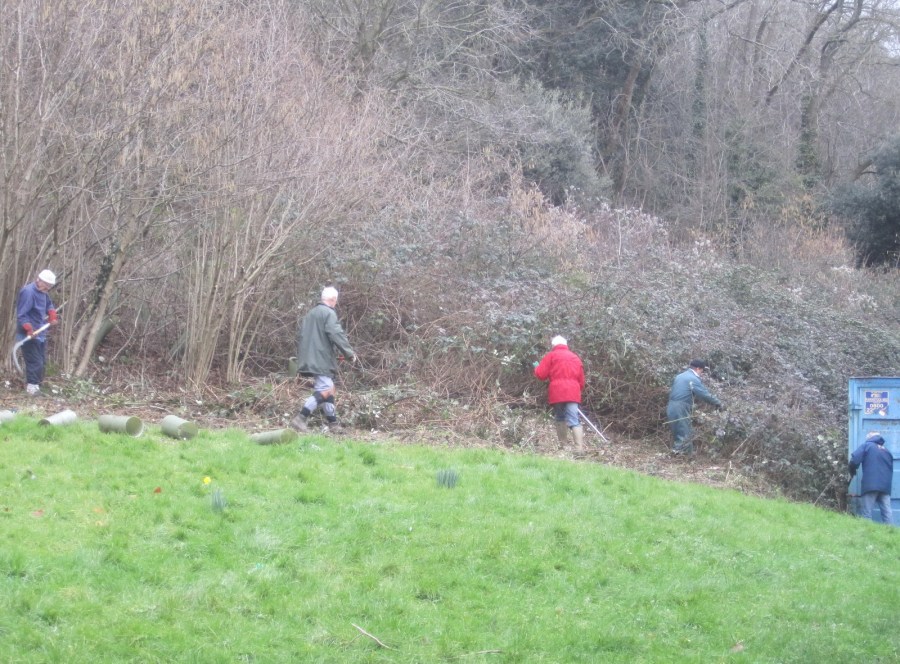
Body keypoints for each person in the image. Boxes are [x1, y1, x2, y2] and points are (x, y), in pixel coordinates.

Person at [291, 286, 357, 433]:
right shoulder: (328, 313)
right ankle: (301, 417)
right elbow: (336, 334)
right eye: (336, 300)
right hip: (319, 359)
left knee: (330, 389)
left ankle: (333, 424)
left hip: (310, 356)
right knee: (326, 389)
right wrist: (349, 353)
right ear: (333, 299)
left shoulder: (311, 313)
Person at [533, 335, 586, 452]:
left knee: (560, 418)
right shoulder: (575, 357)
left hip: (557, 392)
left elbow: (541, 375)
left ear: (553, 345)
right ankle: (579, 449)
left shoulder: (551, 356)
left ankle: (563, 446)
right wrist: (577, 390)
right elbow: (581, 380)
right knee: (574, 419)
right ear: (566, 344)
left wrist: (536, 368)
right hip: (573, 393)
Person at [15, 269, 59, 396]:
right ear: (39, 280)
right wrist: (29, 329)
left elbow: (48, 305)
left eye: (50, 286)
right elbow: (22, 315)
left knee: (42, 361)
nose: (48, 288)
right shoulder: (28, 292)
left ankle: (37, 385)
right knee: (34, 361)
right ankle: (31, 387)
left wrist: (51, 313)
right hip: (27, 333)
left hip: (40, 332)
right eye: (47, 285)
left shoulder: (43, 292)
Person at [666, 359, 723, 455]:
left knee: (678, 431)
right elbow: (704, 394)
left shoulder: (680, 376)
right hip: (681, 406)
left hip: (671, 405)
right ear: (698, 368)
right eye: (702, 370)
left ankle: (678, 453)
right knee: (684, 432)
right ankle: (683, 456)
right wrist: (718, 403)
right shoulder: (692, 378)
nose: (702, 373)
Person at [849, 433, 894, 525]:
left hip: (870, 484)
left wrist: (852, 471)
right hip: (885, 486)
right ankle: (891, 531)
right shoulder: (886, 451)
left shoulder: (867, 446)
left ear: (870, 438)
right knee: (887, 512)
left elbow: (854, 460)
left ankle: (867, 531)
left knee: (867, 512)